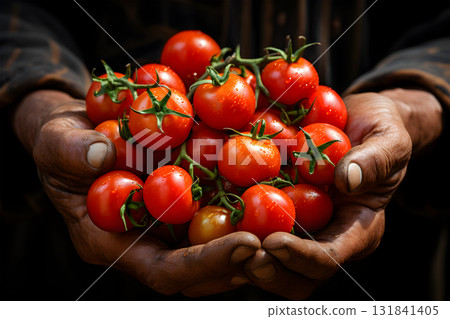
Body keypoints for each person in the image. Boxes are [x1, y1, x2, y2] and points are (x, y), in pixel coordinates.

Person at [1, 0, 449, 300]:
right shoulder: (170, 121)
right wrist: (38, 103)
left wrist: (411, 101)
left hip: (379, 277)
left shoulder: (259, 137)